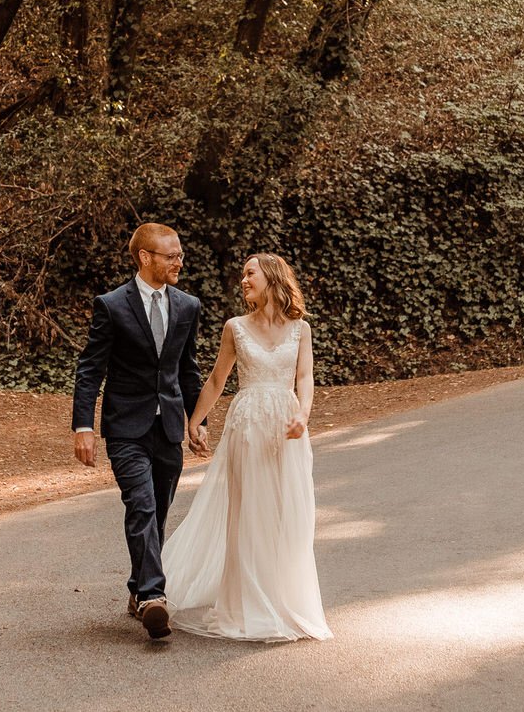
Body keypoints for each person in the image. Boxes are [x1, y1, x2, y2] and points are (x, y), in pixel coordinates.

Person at [163, 252, 332, 644]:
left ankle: (285, 601)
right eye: (242, 274)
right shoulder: (235, 328)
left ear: (271, 277)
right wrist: (196, 421)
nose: (243, 279)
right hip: (248, 425)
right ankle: (246, 606)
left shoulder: (300, 329)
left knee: (288, 513)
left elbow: (304, 377)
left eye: (250, 273)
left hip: (289, 425)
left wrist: (303, 416)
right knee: (249, 513)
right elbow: (217, 380)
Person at [71, 220, 204, 641]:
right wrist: (83, 427)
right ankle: (152, 597)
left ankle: (137, 590)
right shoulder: (111, 305)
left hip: (168, 428)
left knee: (159, 511)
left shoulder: (188, 306)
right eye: (171, 256)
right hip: (125, 427)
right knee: (142, 505)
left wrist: (197, 420)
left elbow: (188, 368)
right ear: (145, 258)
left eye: (180, 254)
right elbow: (90, 368)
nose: (179, 261)